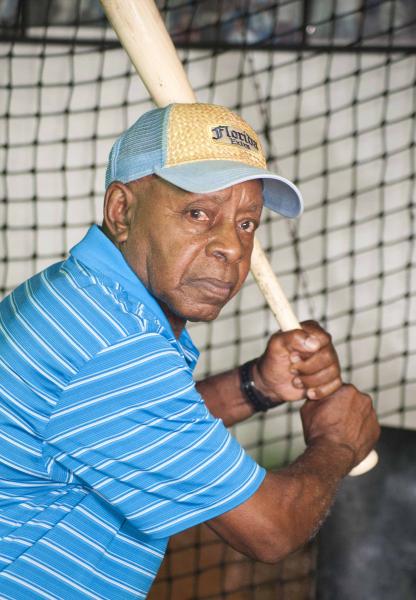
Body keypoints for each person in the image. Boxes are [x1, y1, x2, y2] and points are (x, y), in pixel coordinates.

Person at [0, 103, 379, 599]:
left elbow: (139, 429)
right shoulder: (115, 348)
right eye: (198, 213)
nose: (232, 248)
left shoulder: (86, 300)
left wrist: (258, 386)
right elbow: (270, 530)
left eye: (247, 223)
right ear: (122, 210)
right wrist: (339, 442)